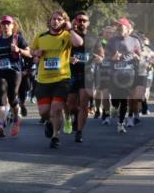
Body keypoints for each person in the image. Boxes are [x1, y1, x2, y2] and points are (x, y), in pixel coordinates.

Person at [30, 10, 83, 149]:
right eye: (53, 19)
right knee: (44, 111)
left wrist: (70, 28)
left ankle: (55, 136)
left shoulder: (67, 36)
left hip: (61, 79)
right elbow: (31, 51)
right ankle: (49, 122)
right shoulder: (40, 36)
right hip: (43, 79)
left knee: (56, 109)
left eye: (59, 19)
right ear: (50, 21)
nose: (55, 21)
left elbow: (79, 43)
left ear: (64, 21)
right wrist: (36, 52)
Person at [0, 15, 30, 138]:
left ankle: (16, 117)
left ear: (13, 25)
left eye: (8, 24)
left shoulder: (17, 38)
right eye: (3, 24)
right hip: (0, 71)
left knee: (12, 97)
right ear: (0, 26)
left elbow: (29, 53)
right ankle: (0, 124)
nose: (5, 26)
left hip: (14, 72)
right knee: (0, 94)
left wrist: (18, 50)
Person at [104, 18, 144, 133]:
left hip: (128, 75)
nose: (119, 29)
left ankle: (121, 123)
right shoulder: (111, 41)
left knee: (124, 99)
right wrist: (112, 58)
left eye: (122, 27)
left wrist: (137, 57)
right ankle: (114, 107)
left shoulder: (134, 41)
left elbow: (140, 55)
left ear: (127, 29)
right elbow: (105, 56)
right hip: (114, 74)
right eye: (118, 27)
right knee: (115, 101)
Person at [66, 11, 98, 143]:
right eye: (79, 20)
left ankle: (79, 132)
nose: (82, 23)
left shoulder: (93, 37)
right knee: (70, 103)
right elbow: (60, 53)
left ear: (88, 23)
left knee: (84, 103)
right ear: (75, 21)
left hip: (87, 73)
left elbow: (101, 54)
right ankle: (74, 115)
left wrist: (98, 58)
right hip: (71, 73)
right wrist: (68, 58)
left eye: (84, 20)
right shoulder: (68, 36)